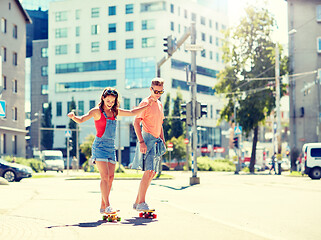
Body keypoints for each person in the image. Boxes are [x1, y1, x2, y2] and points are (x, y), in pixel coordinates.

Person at [67, 87, 153, 215]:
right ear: (103, 98)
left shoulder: (115, 112)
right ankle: (108, 205)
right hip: (100, 146)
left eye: (112, 101)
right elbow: (81, 119)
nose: (110, 103)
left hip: (111, 147)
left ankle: (103, 206)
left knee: (111, 177)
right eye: (108, 100)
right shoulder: (96, 111)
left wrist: (146, 106)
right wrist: (73, 117)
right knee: (105, 177)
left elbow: (131, 112)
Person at [132, 78, 166, 211]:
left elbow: (160, 124)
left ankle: (137, 202)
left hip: (157, 141)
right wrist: (141, 142)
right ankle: (141, 202)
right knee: (148, 172)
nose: (157, 94)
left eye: (160, 91)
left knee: (152, 173)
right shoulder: (145, 103)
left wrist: (163, 140)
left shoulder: (159, 104)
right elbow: (136, 122)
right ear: (150, 89)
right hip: (147, 140)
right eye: (155, 91)